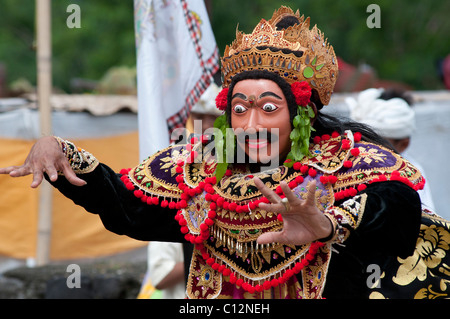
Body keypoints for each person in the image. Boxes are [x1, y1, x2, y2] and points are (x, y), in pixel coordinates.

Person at [1, 6, 449, 299]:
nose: (251, 124)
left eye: (268, 108)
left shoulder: (343, 157)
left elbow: (398, 207)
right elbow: (126, 208)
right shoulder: (198, 165)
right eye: (239, 109)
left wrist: (326, 224)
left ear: (301, 115)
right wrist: (59, 152)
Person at [346, 87, 436, 211]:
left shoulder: (413, 174)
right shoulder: (344, 165)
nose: (367, 148)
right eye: (363, 140)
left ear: (403, 144)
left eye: (377, 144)